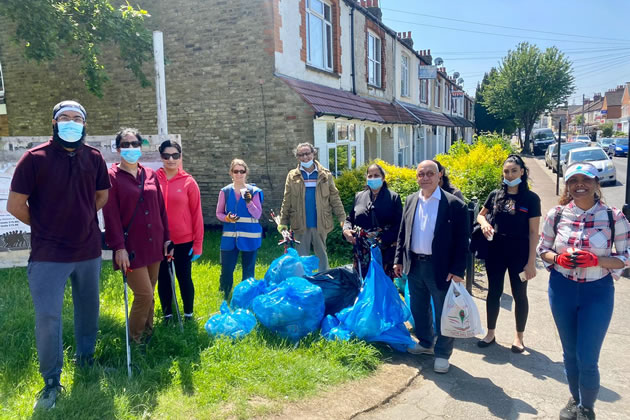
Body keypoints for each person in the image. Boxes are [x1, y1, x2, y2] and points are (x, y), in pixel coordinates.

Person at [7, 100, 110, 410]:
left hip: (87, 250)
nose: (70, 122)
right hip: (48, 255)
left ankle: (86, 359)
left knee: (88, 309)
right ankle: (51, 381)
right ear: (53, 123)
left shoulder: (93, 157)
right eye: (64, 117)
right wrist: (47, 225)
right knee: (48, 317)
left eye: (77, 118)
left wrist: (78, 215)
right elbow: (15, 205)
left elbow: (102, 195)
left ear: (84, 124)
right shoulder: (33, 159)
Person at [537, 162, 629, 420]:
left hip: (596, 293)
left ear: (596, 183)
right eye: (573, 180)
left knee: (587, 356)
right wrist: (557, 259)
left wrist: (597, 260)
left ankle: (587, 408)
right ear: (567, 185)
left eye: (585, 179)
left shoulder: (613, 217)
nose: (580, 184)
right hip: (562, 288)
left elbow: (625, 257)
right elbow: (542, 249)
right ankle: (575, 399)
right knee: (569, 353)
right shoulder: (556, 215)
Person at [393, 160, 469, 374]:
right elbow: (403, 234)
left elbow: (463, 241)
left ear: (439, 176)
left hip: (442, 269)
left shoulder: (454, 204)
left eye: (429, 173)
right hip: (415, 264)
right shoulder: (410, 201)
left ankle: (443, 353)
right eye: (420, 174)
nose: (425, 177)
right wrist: (399, 259)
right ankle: (426, 343)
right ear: (416, 177)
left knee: (444, 313)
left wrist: (457, 270)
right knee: (418, 308)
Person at [103, 128, 172, 346]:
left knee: (150, 294)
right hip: (130, 249)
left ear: (140, 147)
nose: (131, 148)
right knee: (143, 295)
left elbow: (161, 209)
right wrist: (118, 248)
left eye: (135, 144)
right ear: (118, 149)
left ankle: (149, 335)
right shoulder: (111, 177)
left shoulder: (150, 175)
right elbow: (110, 216)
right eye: (126, 144)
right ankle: (135, 340)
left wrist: (168, 239)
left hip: (155, 245)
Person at [476, 154, 541, 353]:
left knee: (519, 294)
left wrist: (531, 262)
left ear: (522, 172)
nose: (510, 174)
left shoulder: (531, 199)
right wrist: (485, 223)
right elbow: (480, 214)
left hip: (519, 253)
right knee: (493, 292)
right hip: (496, 250)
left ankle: (519, 337)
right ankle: (490, 333)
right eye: (506, 171)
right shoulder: (495, 195)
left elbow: (533, 233)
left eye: (514, 170)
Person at [156, 140, 204, 323]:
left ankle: (188, 314)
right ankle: (167, 314)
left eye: (175, 155)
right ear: (161, 157)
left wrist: (198, 244)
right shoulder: (153, 178)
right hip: (160, 241)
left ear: (180, 157)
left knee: (184, 278)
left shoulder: (189, 182)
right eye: (166, 155)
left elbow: (196, 214)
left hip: (183, 241)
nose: (171, 159)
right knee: (164, 279)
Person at [278, 143, 346, 272]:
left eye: (307, 153)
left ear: (313, 153)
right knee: (301, 258)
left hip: (320, 222)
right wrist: (283, 221)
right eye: (301, 155)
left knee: (322, 256)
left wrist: (342, 217)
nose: (305, 157)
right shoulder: (292, 176)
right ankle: (303, 284)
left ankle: (324, 281)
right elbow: (287, 199)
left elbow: (334, 197)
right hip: (300, 223)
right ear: (297, 157)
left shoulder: (325, 175)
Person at [342, 163, 402, 278]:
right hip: (362, 250)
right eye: (370, 176)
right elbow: (350, 219)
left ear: (383, 178)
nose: (373, 178)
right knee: (363, 283)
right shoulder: (359, 196)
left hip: (384, 249)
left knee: (382, 284)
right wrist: (346, 230)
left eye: (376, 175)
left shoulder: (393, 197)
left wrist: (381, 241)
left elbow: (399, 225)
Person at [216, 159, 263, 300]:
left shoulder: (254, 192)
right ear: (231, 173)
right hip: (230, 237)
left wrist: (249, 202)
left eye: (242, 171)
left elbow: (258, 214)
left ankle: (246, 297)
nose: (239, 174)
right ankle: (224, 295)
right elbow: (219, 213)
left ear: (246, 173)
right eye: (236, 171)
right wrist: (227, 218)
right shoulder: (225, 191)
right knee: (227, 269)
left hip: (250, 237)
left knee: (248, 270)